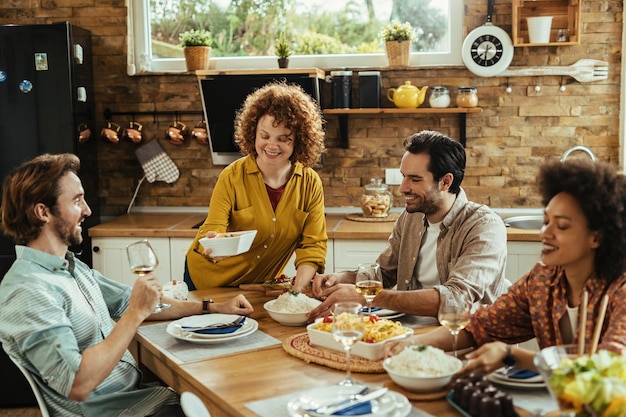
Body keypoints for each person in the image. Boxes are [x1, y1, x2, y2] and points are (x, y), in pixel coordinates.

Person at [0, 153, 254, 417]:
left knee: (225, 388)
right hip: (119, 412)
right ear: (43, 212)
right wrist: (135, 313)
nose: (87, 210)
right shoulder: (29, 290)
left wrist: (211, 308)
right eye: (76, 201)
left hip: (139, 396)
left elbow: (132, 302)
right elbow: (77, 384)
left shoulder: (71, 267)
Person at [385, 158, 626, 374]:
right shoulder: (543, 280)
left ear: (597, 236)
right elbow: (483, 325)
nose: (545, 233)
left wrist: (514, 355)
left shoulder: (620, 290)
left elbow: (610, 368)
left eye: (561, 226)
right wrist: (412, 344)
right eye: (545, 222)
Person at [308, 130, 509, 320]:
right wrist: (341, 278)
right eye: (403, 176)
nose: (403, 188)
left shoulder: (484, 226)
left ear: (446, 182)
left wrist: (369, 296)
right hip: (407, 331)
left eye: (414, 179)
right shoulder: (411, 216)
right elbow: (385, 273)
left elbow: (456, 299)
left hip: (466, 341)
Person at [185, 81, 327, 292]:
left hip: (257, 286)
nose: (271, 145)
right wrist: (214, 242)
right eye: (265, 136)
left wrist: (299, 290)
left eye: (283, 139)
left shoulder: (310, 183)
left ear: (299, 140)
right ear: (253, 132)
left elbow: (312, 246)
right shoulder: (232, 176)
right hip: (208, 281)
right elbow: (214, 226)